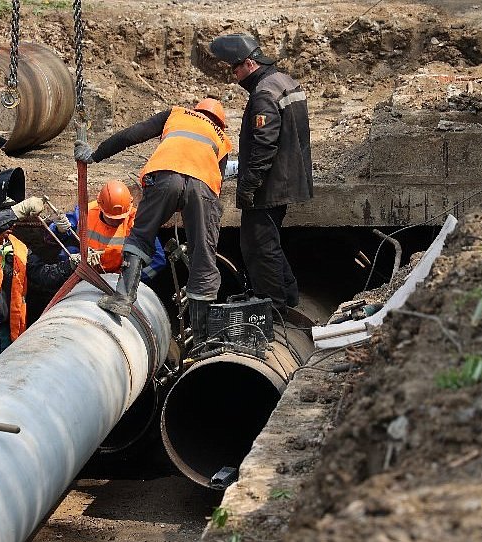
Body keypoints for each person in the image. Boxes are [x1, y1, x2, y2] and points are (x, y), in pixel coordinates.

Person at [75, 99, 232, 343]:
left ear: (196, 110)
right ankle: (202, 338)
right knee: (203, 254)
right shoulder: (223, 139)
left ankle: (123, 299)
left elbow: (132, 134)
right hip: (203, 188)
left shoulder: (176, 114)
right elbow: (217, 185)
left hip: (165, 176)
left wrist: (95, 155)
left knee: (141, 235)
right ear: (220, 122)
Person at [208, 33, 313, 313]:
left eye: (235, 68)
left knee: (258, 246)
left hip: (270, 185)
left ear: (249, 64)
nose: (234, 76)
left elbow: (264, 145)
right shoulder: (285, 81)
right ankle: (288, 297)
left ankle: (273, 307)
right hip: (287, 179)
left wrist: (249, 186)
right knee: (270, 242)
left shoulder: (263, 93)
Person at [0, 168, 77, 373]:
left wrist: (71, 265)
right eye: (7, 217)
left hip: (7, 336)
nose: (12, 223)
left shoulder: (19, 248)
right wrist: (17, 210)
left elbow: (43, 276)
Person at [50, 179, 166, 282]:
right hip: (85, 272)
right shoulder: (86, 213)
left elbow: (158, 260)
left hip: (119, 275)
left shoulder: (138, 221)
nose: (116, 221)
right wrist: (59, 229)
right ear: (100, 207)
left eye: (121, 218)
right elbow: (52, 237)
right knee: (68, 250)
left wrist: (130, 278)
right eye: (111, 218)